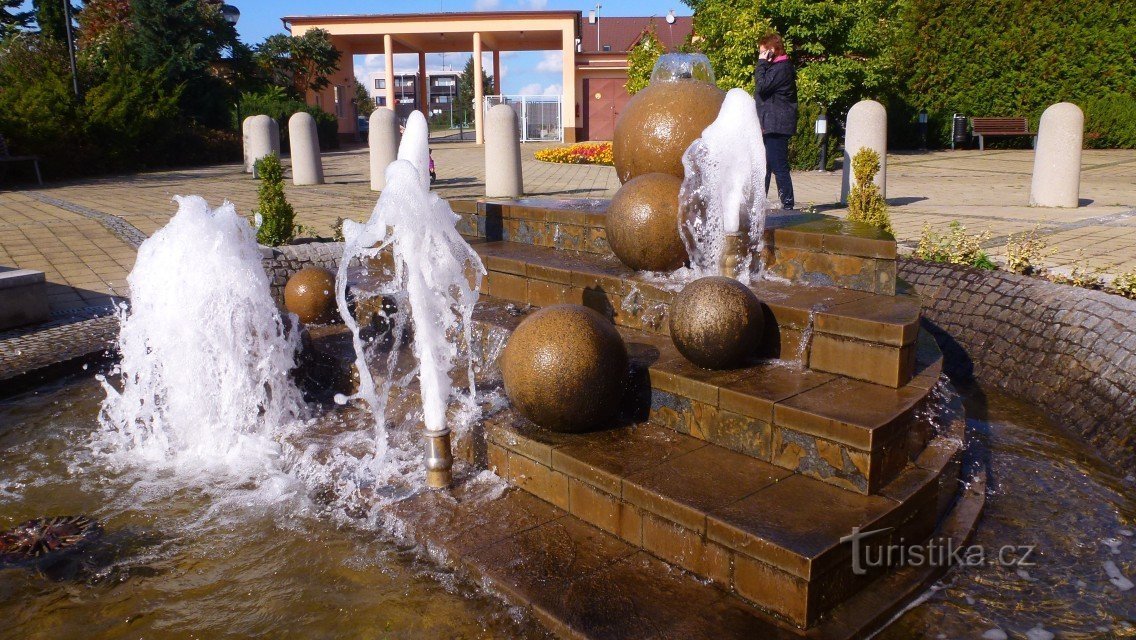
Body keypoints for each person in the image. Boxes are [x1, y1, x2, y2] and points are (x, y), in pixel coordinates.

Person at [754, 32, 798, 210]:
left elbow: (762, 87)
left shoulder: (782, 68)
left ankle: (787, 205)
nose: (761, 55)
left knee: (779, 166)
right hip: (770, 123)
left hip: (777, 125)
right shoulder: (777, 68)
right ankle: (758, 203)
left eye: (763, 52)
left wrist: (761, 63)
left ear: (771, 51)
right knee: (764, 166)